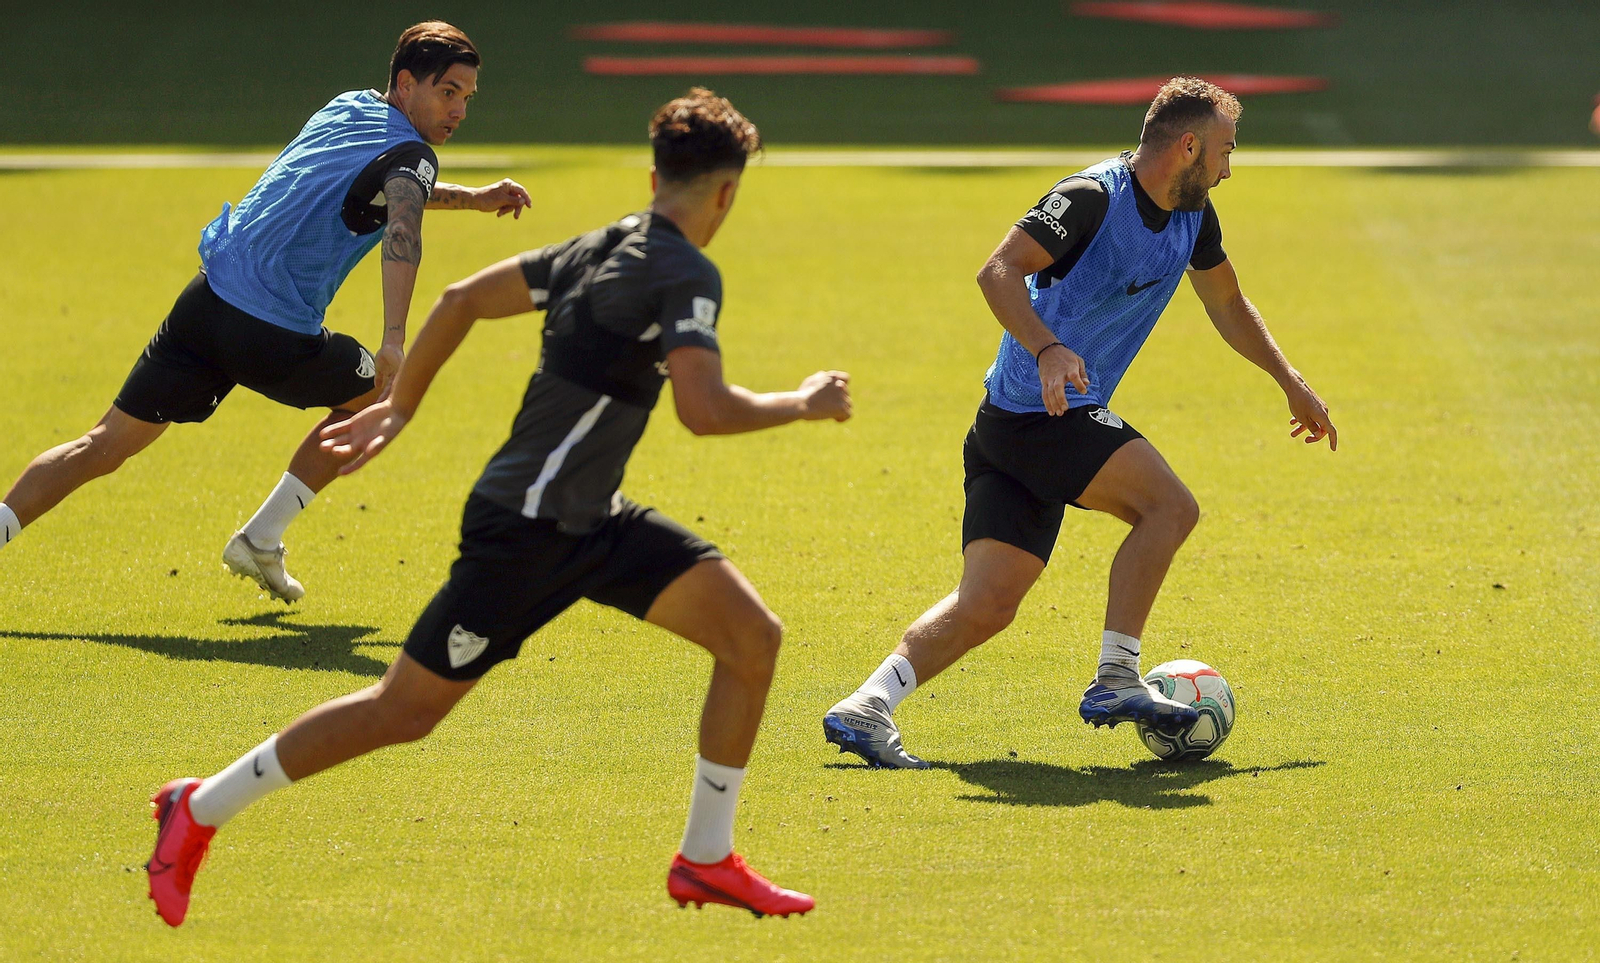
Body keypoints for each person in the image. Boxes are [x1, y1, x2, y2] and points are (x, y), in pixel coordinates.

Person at [145, 88, 844, 926]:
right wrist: (802, 402)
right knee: (401, 711)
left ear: (656, 173)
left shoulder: (603, 243)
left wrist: (398, 408)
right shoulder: (685, 272)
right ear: (726, 192)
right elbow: (704, 410)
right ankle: (199, 806)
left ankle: (705, 857)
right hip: (526, 532)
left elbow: (461, 299)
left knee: (750, 637)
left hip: (592, 518)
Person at [822, 77, 1337, 768]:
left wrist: (1288, 378)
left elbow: (1228, 304)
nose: (1228, 167)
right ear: (1187, 146)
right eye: (1223, 150)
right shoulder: (1090, 198)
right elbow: (997, 270)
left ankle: (867, 704)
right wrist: (1048, 347)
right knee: (1169, 508)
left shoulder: (1194, 215)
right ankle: (1117, 675)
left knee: (988, 601)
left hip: (1019, 428)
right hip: (1039, 415)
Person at [0, 21, 531, 602]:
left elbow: (377, 184)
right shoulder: (413, 154)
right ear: (406, 84)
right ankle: (262, 537)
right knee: (381, 398)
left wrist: (475, 198)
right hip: (272, 333)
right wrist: (395, 339)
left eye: (467, 97)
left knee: (101, 445)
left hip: (206, 302)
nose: (458, 111)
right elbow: (402, 224)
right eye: (448, 91)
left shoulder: (348, 107)